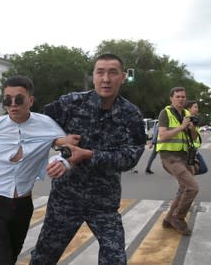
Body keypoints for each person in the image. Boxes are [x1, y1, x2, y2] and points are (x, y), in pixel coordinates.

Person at [30, 53, 146, 265]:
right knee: (43, 258)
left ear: (122, 77)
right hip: (65, 200)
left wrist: (89, 155)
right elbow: (36, 127)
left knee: (115, 259)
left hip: (104, 203)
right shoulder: (71, 103)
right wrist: (59, 140)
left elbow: (131, 157)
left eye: (113, 73)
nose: (106, 79)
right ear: (93, 76)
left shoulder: (131, 114)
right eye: (100, 72)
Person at [0, 75, 78, 265]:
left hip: (23, 205)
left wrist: (62, 162)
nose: (13, 105)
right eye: (7, 100)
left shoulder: (45, 124)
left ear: (30, 100)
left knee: (11, 257)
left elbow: (68, 148)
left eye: (19, 99)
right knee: (2, 260)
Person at [156, 87, 199, 236]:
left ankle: (168, 219)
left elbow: (193, 138)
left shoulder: (187, 114)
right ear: (171, 98)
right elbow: (162, 136)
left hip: (184, 156)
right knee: (192, 187)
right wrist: (181, 127)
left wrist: (191, 128)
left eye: (183, 97)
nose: (181, 99)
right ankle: (178, 218)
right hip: (170, 156)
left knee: (183, 188)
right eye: (178, 96)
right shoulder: (165, 113)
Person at [184, 100, 209, 174]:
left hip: (194, 149)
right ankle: (184, 179)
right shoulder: (186, 119)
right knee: (203, 168)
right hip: (189, 150)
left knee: (199, 169)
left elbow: (195, 137)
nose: (197, 109)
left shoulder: (193, 119)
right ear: (188, 109)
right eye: (195, 107)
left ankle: (184, 179)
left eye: (197, 107)